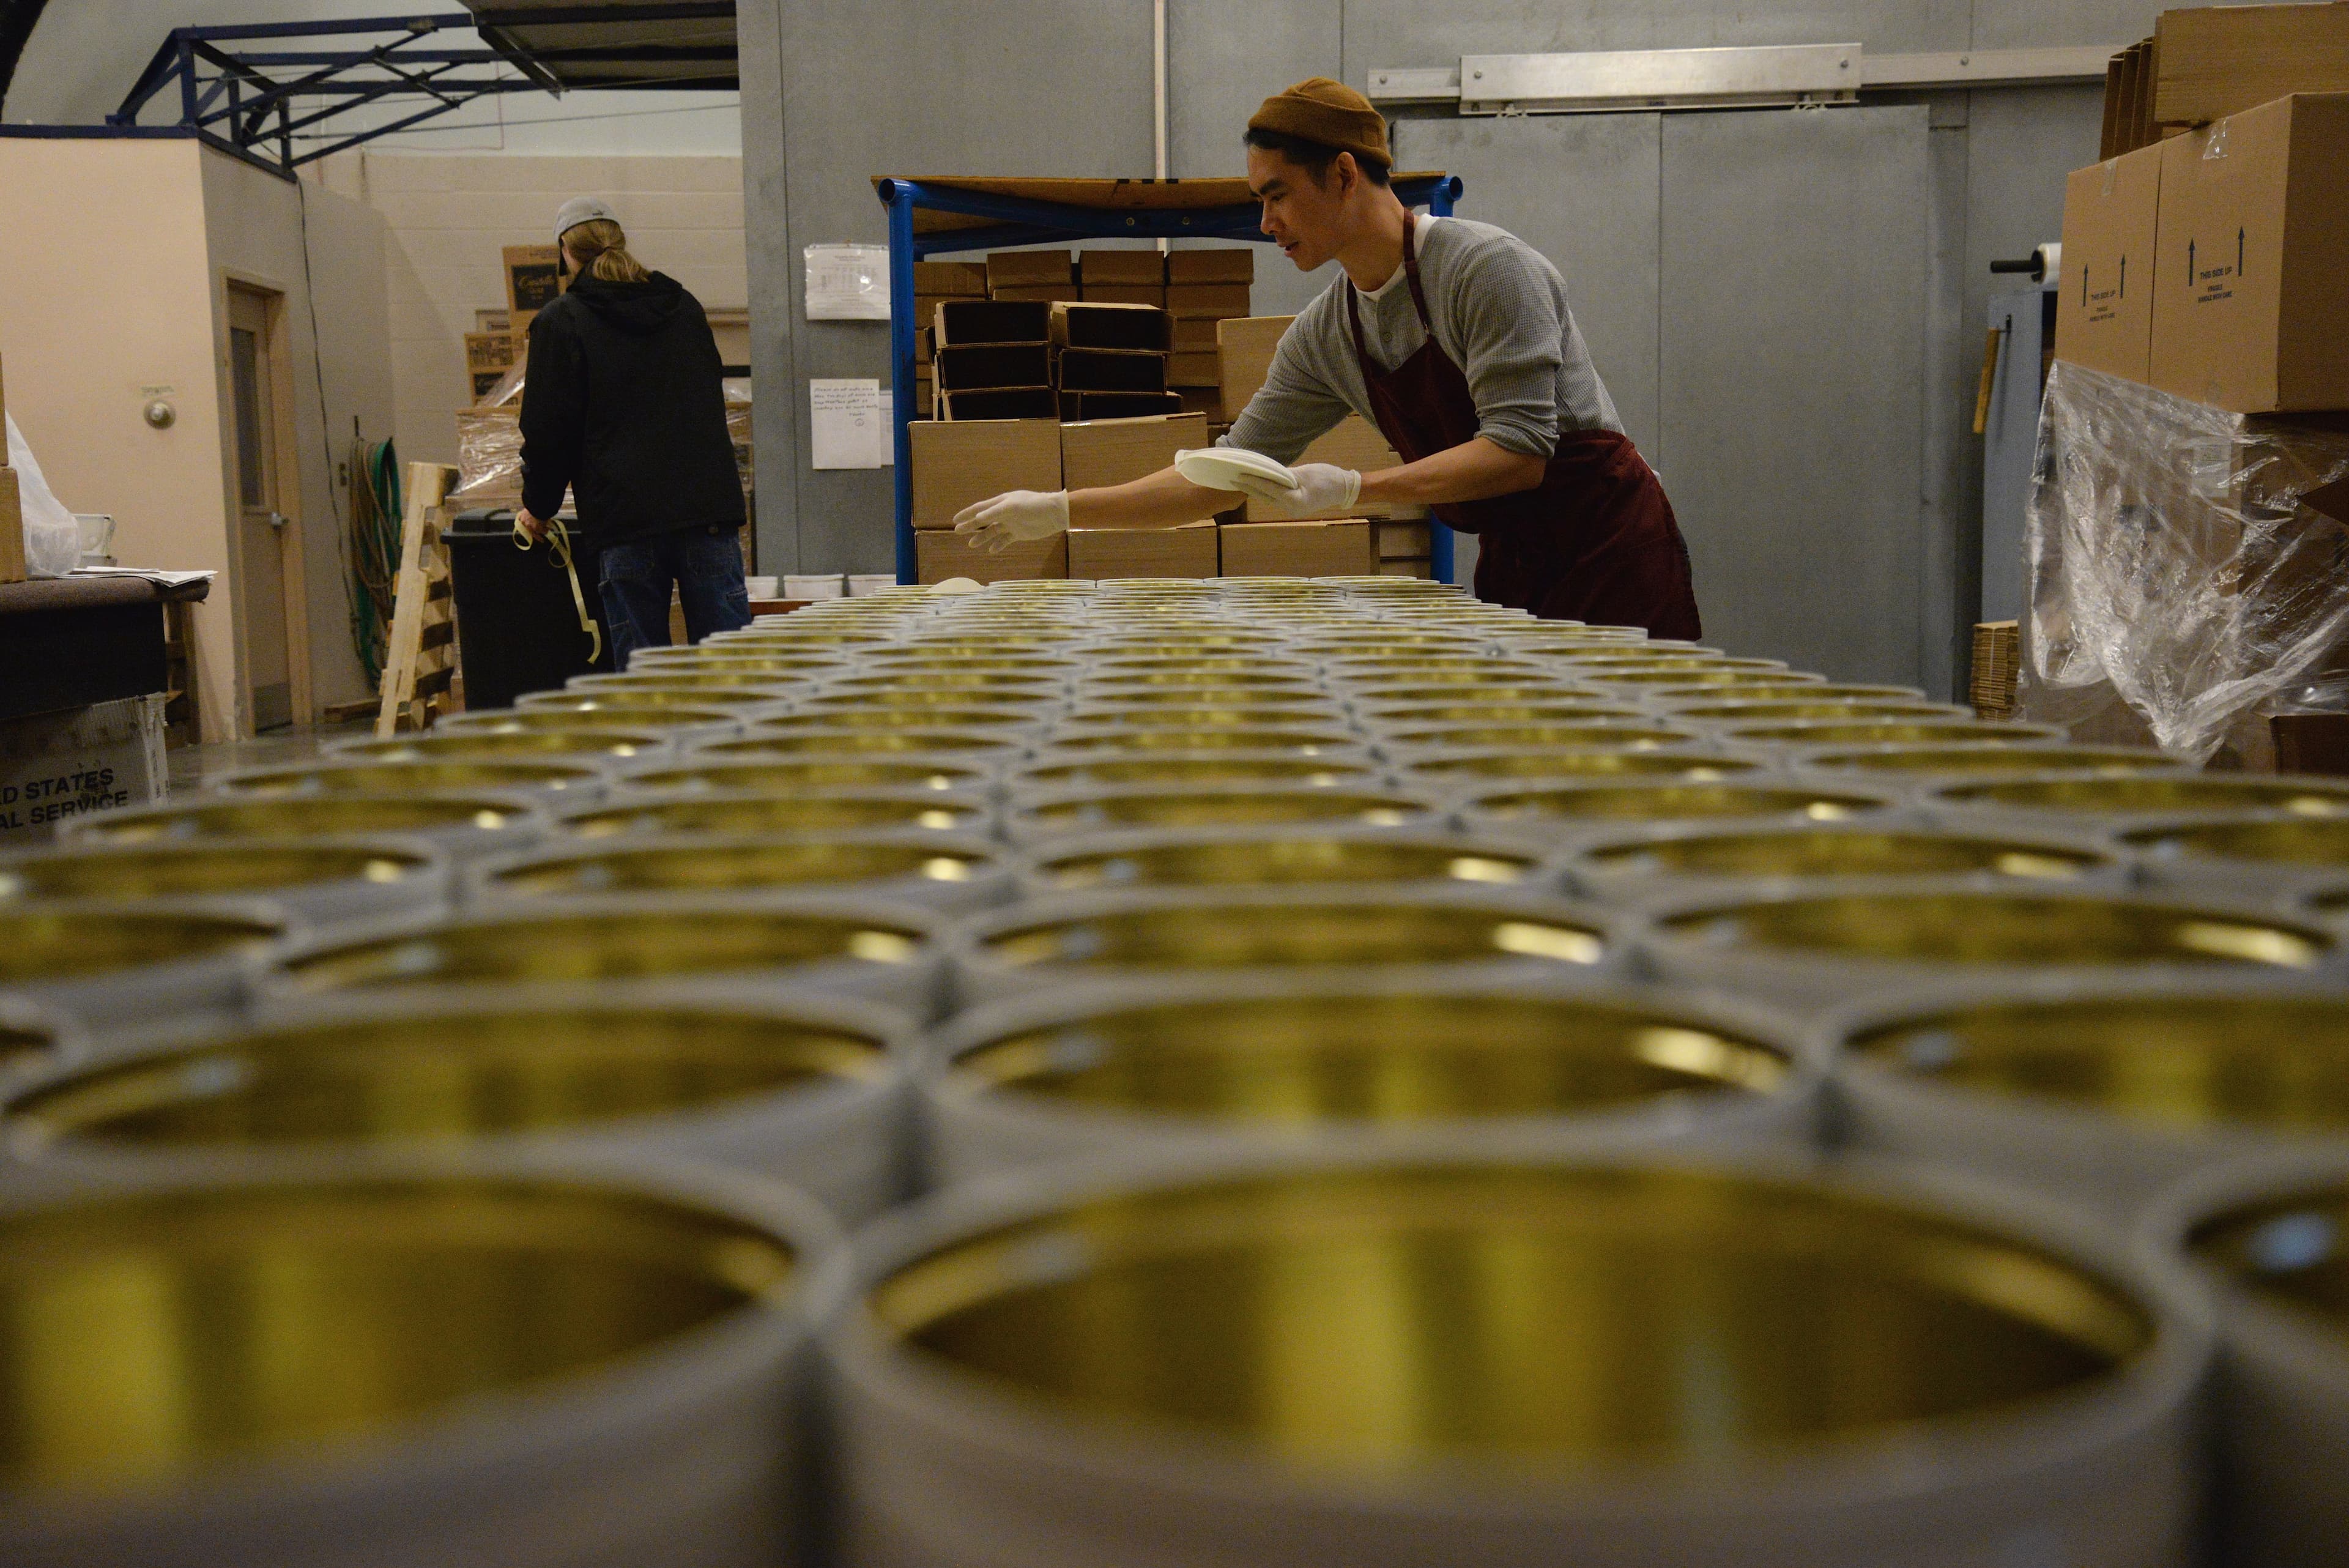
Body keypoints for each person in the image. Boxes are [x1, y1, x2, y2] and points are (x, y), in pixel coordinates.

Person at [955, 77, 1701, 636]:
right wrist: (1057, 510)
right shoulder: (1327, 335)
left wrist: (1351, 487)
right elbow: (1219, 475)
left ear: (1344, 175)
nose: (1265, 222)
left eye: (1276, 195)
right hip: (1516, 556)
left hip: (1610, 545)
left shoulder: (1485, 269)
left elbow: (1518, 451)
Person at [517, 197, 751, 666]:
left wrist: (538, 508)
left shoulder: (561, 322)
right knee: (731, 672)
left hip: (626, 522)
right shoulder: (683, 308)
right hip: (707, 513)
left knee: (646, 684)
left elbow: (548, 429)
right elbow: (708, 395)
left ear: (566, 250)